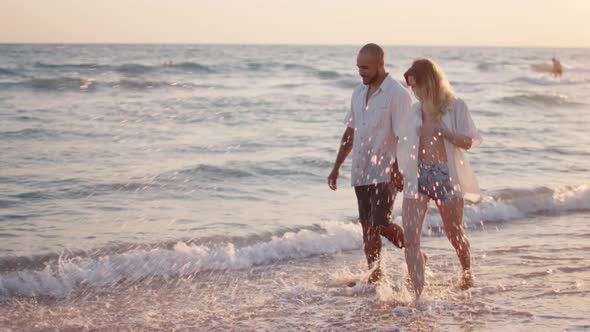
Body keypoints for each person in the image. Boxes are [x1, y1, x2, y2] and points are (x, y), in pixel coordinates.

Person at [398, 58, 482, 299]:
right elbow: (402, 144)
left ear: (431, 83)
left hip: (446, 175)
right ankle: (417, 297)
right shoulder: (414, 111)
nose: (414, 92)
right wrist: (398, 171)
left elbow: (470, 141)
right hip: (419, 175)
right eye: (411, 87)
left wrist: (445, 133)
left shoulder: (455, 106)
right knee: (410, 237)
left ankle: (467, 272)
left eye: (417, 86)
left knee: (454, 232)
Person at [328, 43, 411, 283]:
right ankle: (376, 275)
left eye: (365, 67)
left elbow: (405, 137)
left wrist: (399, 169)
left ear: (380, 64)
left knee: (381, 223)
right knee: (367, 227)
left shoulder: (398, 94)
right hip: (361, 171)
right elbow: (350, 133)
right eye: (358, 68)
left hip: (386, 171)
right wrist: (336, 167)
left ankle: (414, 252)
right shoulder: (357, 93)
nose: (361, 72)